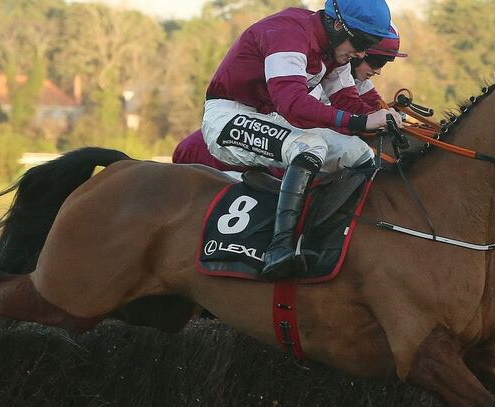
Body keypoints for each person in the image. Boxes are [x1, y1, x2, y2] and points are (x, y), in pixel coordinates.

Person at [201, 0, 403, 280]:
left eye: (369, 44)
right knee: (310, 146)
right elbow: (292, 104)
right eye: (360, 42)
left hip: (272, 119)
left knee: (358, 153)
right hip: (227, 118)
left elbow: (347, 101)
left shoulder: (335, 50)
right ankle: (278, 249)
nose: (361, 53)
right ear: (336, 25)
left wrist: (383, 117)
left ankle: (330, 238)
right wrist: (361, 121)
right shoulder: (288, 33)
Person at [173, 31, 407, 175]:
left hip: (274, 130)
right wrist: (362, 122)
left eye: (385, 63)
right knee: (310, 151)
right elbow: (301, 110)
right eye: (376, 61)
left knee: (350, 152)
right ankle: (281, 243)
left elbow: (366, 111)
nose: (378, 70)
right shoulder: (315, 68)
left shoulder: (348, 77)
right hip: (212, 145)